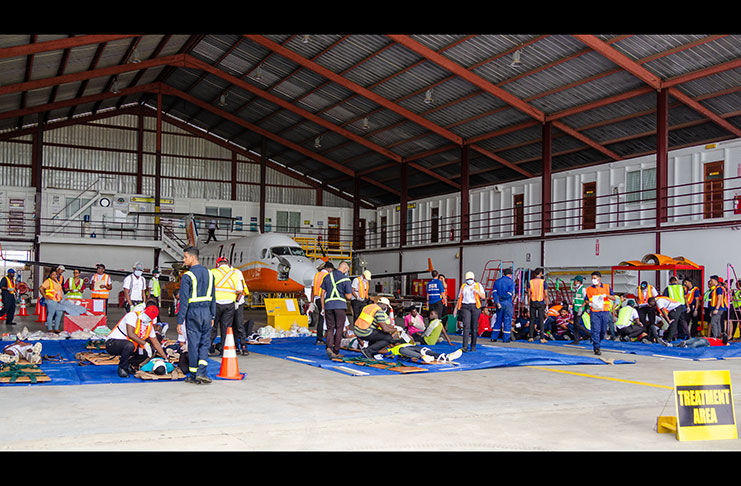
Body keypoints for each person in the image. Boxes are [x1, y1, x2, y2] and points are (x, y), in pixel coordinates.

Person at [177, 246, 216, 385]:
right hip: (206, 312)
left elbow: (184, 301)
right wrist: (212, 316)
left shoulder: (188, 276)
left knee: (193, 344)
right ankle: (202, 372)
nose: (184, 259)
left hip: (193, 313)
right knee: (205, 344)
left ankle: (194, 374)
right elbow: (213, 297)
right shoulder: (210, 274)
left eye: (185, 257)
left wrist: (179, 321)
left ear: (192, 258)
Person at [105, 304, 168, 378]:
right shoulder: (132, 316)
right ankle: (122, 368)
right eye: (146, 315)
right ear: (144, 311)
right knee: (129, 345)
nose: (147, 318)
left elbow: (156, 343)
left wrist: (165, 358)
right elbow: (130, 334)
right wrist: (145, 344)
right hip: (113, 343)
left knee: (146, 352)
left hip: (130, 346)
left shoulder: (148, 325)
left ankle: (129, 364)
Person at [209, 256, 243, 356]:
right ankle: (224, 351)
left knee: (212, 327)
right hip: (229, 305)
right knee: (226, 328)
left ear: (218, 264)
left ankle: (207, 348)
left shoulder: (212, 272)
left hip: (215, 304)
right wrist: (236, 302)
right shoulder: (235, 274)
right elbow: (240, 291)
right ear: (228, 264)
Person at [320, 260, 353, 359]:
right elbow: (349, 296)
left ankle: (329, 347)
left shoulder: (327, 277)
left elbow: (322, 294)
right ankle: (336, 351)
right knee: (339, 328)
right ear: (345, 269)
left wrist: (322, 307)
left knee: (330, 328)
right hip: (340, 306)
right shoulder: (345, 279)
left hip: (328, 306)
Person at [585, 271, 619, 356]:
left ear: (599, 278)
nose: (593, 280)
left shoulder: (607, 287)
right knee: (595, 329)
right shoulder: (589, 289)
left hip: (604, 311)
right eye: (592, 278)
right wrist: (589, 304)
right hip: (595, 312)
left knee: (603, 330)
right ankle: (596, 347)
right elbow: (586, 299)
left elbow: (614, 298)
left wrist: (606, 296)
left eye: (595, 278)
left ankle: (596, 340)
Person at [453, 271, 486, 352]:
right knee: (466, 326)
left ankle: (473, 346)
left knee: (474, 328)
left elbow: (484, 297)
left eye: (471, 279)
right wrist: (455, 309)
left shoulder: (478, 285)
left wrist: (477, 291)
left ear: (473, 278)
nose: (469, 280)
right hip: (465, 307)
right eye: (468, 279)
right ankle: (465, 347)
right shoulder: (463, 286)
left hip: (475, 307)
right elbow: (459, 298)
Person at [490, 267, 515, 342]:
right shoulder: (511, 282)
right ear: (510, 275)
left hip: (499, 303)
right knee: (507, 320)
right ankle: (506, 338)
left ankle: (493, 337)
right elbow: (510, 293)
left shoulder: (497, 282)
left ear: (503, 274)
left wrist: (497, 301)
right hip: (507, 303)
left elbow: (494, 293)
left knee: (498, 320)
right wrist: (503, 299)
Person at [232, 268, 252, 355]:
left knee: (239, 325)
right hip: (228, 303)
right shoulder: (223, 273)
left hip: (237, 302)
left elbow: (240, 290)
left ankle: (243, 346)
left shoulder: (236, 272)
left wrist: (237, 302)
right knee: (232, 326)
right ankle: (235, 346)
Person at [39, 268, 64, 333]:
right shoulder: (48, 281)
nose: (54, 276)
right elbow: (41, 288)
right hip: (51, 300)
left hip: (57, 300)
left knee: (59, 314)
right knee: (51, 314)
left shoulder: (57, 281)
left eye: (55, 274)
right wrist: (44, 296)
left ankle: (56, 328)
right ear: (50, 275)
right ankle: (50, 328)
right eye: (53, 274)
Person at [311, 262, 330, 345]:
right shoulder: (327, 276)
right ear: (329, 269)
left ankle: (320, 338)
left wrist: (311, 301)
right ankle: (323, 338)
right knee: (327, 319)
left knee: (321, 319)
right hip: (324, 299)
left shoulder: (316, 275)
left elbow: (312, 289)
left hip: (316, 299)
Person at [528, 268, 549, 343]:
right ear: (540, 273)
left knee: (532, 320)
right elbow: (545, 294)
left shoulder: (530, 282)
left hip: (532, 302)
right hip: (541, 302)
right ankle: (542, 338)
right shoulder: (543, 282)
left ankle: (531, 337)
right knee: (541, 320)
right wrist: (547, 304)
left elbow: (529, 294)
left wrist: (528, 304)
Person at [570, 276, 589, 344]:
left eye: (575, 281)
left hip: (580, 308)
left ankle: (589, 334)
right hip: (575, 308)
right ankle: (576, 340)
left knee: (577, 324)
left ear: (578, 281)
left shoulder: (583, 289)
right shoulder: (577, 289)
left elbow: (586, 300)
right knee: (575, 324)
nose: (574, 282)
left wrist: (581, 307)